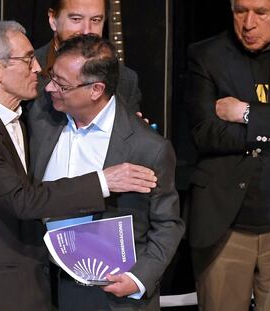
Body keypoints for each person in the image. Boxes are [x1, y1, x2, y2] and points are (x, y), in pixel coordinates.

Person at [0, 20, 157, 311]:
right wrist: (102, 182)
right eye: (28, 59)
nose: (37, 69)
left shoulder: (29, 112)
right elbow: (23, 201)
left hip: (45, 283)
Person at [27, 33, 184, 311]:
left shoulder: (147, 148)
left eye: (61, 84)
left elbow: (167, 225)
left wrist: (138, 279)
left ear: (96, 89)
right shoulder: (42, 115)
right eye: (52, 76)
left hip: (112, 295)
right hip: (41, 287)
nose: (50, 87)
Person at [0, 0, 142, 151]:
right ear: (52, 19)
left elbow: (130, 138)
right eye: (76, 19)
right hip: (35, 191)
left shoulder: (125, 79)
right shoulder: (27, 64)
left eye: (96, 20)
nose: (86, 30)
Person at [185, 0, 270, 310]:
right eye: (240, 11)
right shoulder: (206, 55)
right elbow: (205, 133)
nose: (248, 23)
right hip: (225, 226)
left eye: (261, 12)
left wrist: (247, 112)